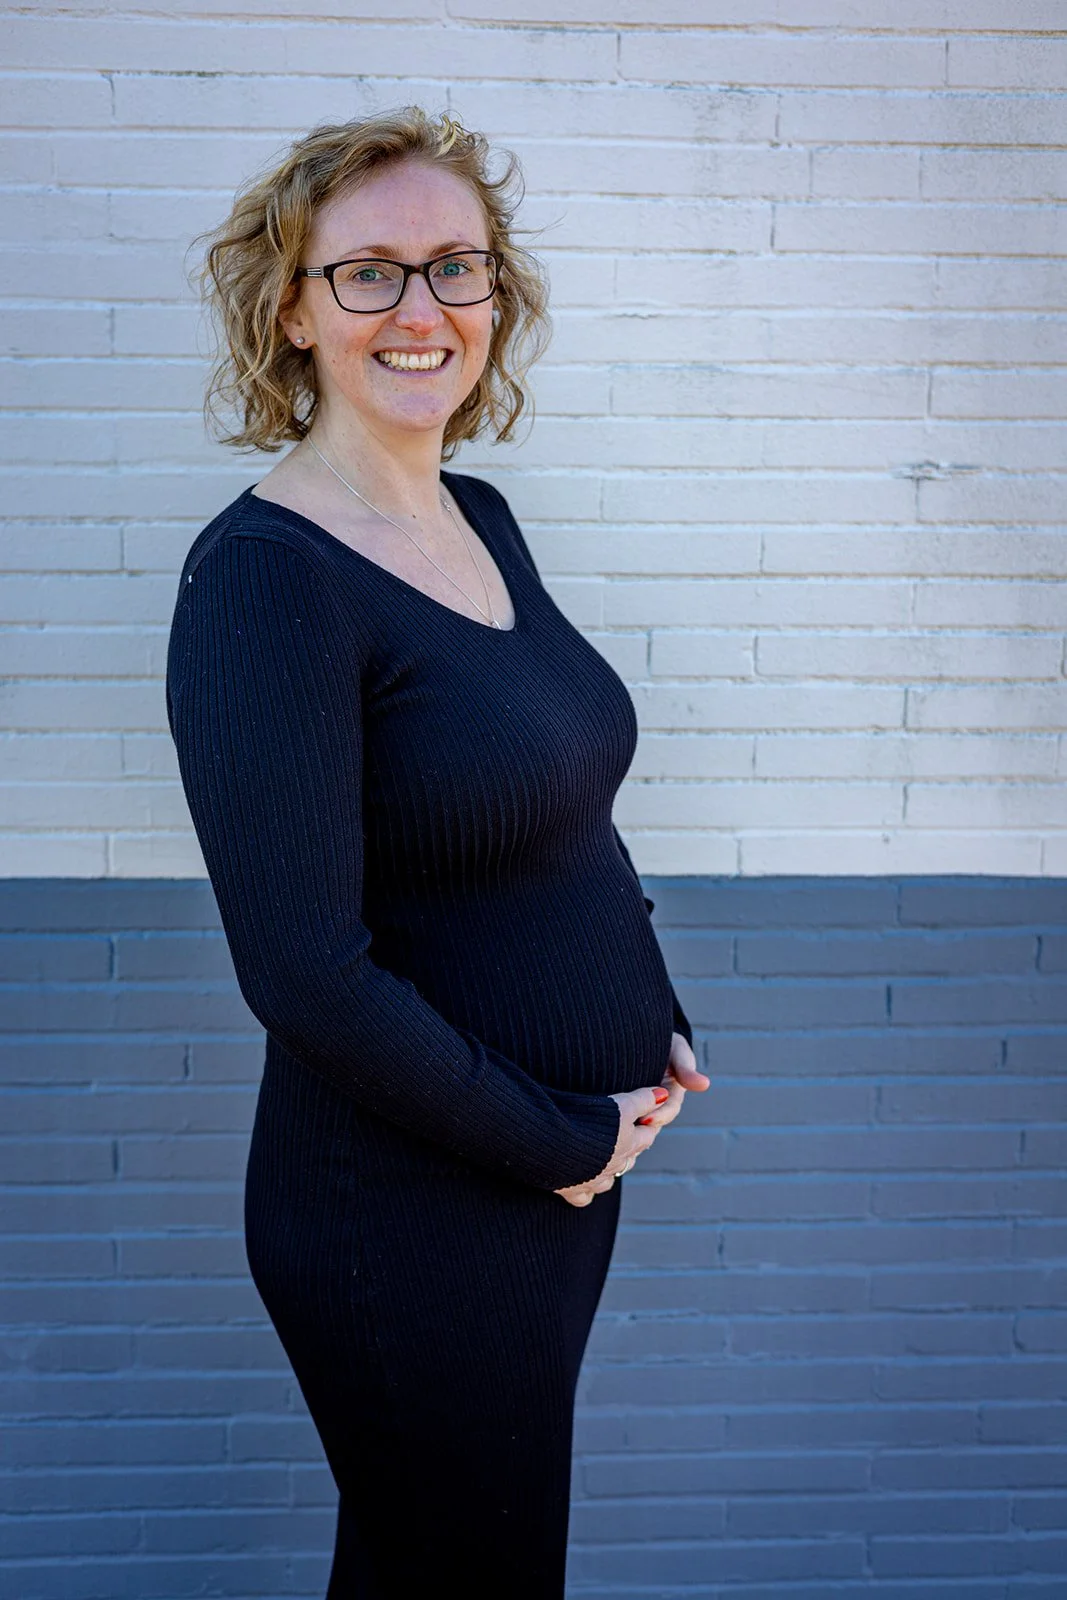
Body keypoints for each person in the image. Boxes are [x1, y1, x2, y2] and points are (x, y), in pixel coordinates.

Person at [166, 106, 710, 1599]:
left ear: (494, 296)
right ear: (289, 306)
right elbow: (304, 974)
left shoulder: (478, 516)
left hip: (545, 1173)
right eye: (369, 274)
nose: (421, 310)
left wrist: (648, 1030)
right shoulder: (266, 582)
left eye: (453, 268)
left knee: (461, 1563)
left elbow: (554, 815)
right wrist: (567, 1141)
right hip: (407, 1205)